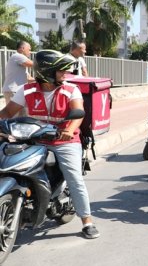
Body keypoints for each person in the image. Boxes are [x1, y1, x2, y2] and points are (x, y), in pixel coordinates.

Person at [0, 50, 100, 239]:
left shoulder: (71, 90)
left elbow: (78, 113)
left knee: (74, 178)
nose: (65, 74)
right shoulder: (26, 90)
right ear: (47, 71)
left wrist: (69, 129)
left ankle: (87, 221)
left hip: (64, 141)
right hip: (35, 139)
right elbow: (7, 111)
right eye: (61, 70)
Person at [2, 40, 34, 115]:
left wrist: (42, 79)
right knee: (14, 117)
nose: (30, 51)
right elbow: (32, 64)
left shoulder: (20, 64)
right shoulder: (18, 56)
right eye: (29, 49)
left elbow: (29, 79)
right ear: (22, 48)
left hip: (15, 91)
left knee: (20, 116)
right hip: (13, 91)